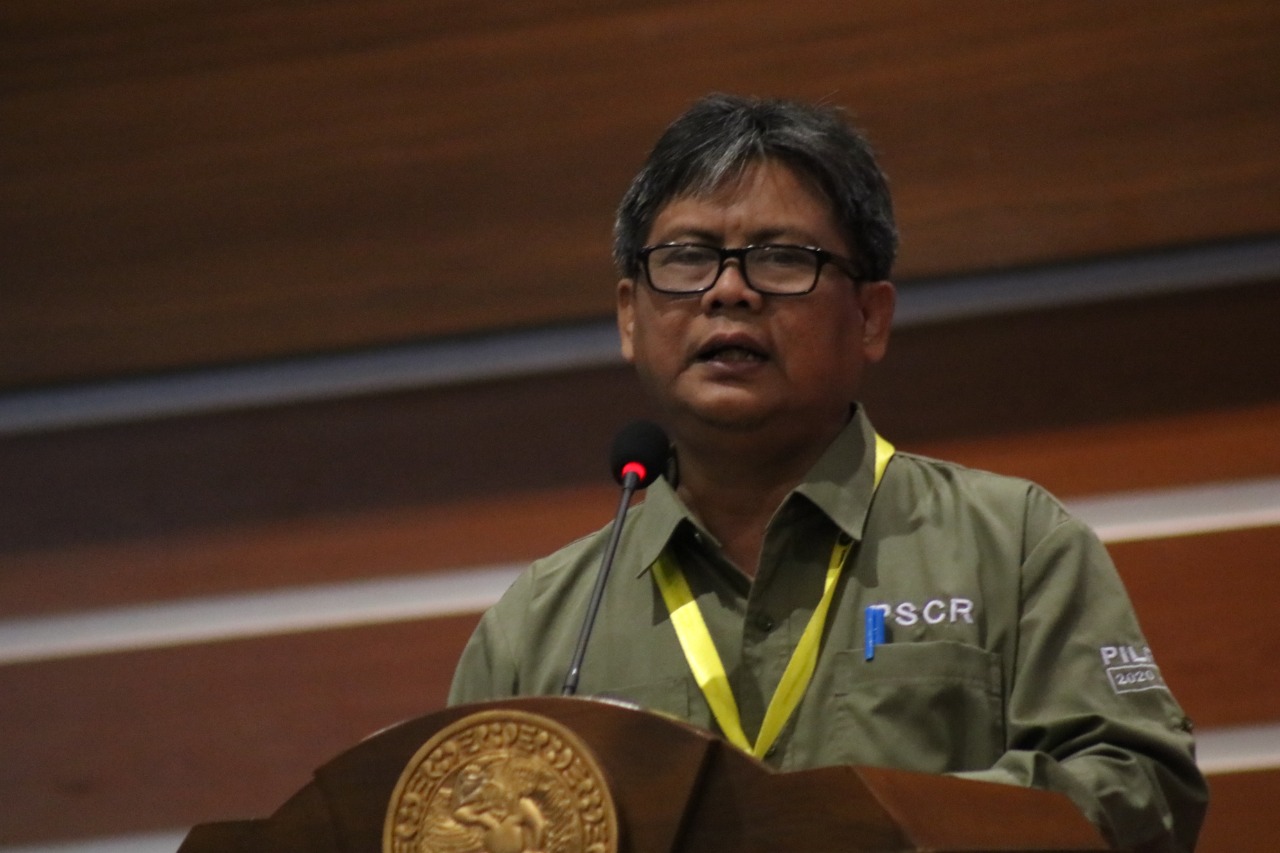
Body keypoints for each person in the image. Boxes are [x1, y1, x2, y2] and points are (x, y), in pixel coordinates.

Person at [448, 93, 1208, 852]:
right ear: (629, 316)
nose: (728, 291)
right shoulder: (539, 628)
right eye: (687, 258)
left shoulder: (1013, 545)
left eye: (782, 258)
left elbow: (1142, 789)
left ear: (871, 317)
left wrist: (862, 826)